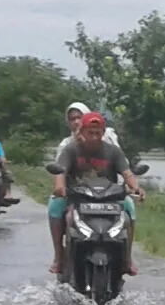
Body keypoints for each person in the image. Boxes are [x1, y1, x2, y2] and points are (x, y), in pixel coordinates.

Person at [47, 111, 142, 279]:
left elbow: (127, 173)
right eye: (90, 133)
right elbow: (60, 172)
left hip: (109, 198)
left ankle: (127, 258)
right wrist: (60, 187)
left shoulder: (113, 151)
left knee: (129, 210)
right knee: (55, 206)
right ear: (82, 132)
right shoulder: (71, 150)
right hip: (77, 197)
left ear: (103, 133)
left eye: (97, 133)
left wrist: (136, 187)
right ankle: (59, 257)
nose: (94, 137)